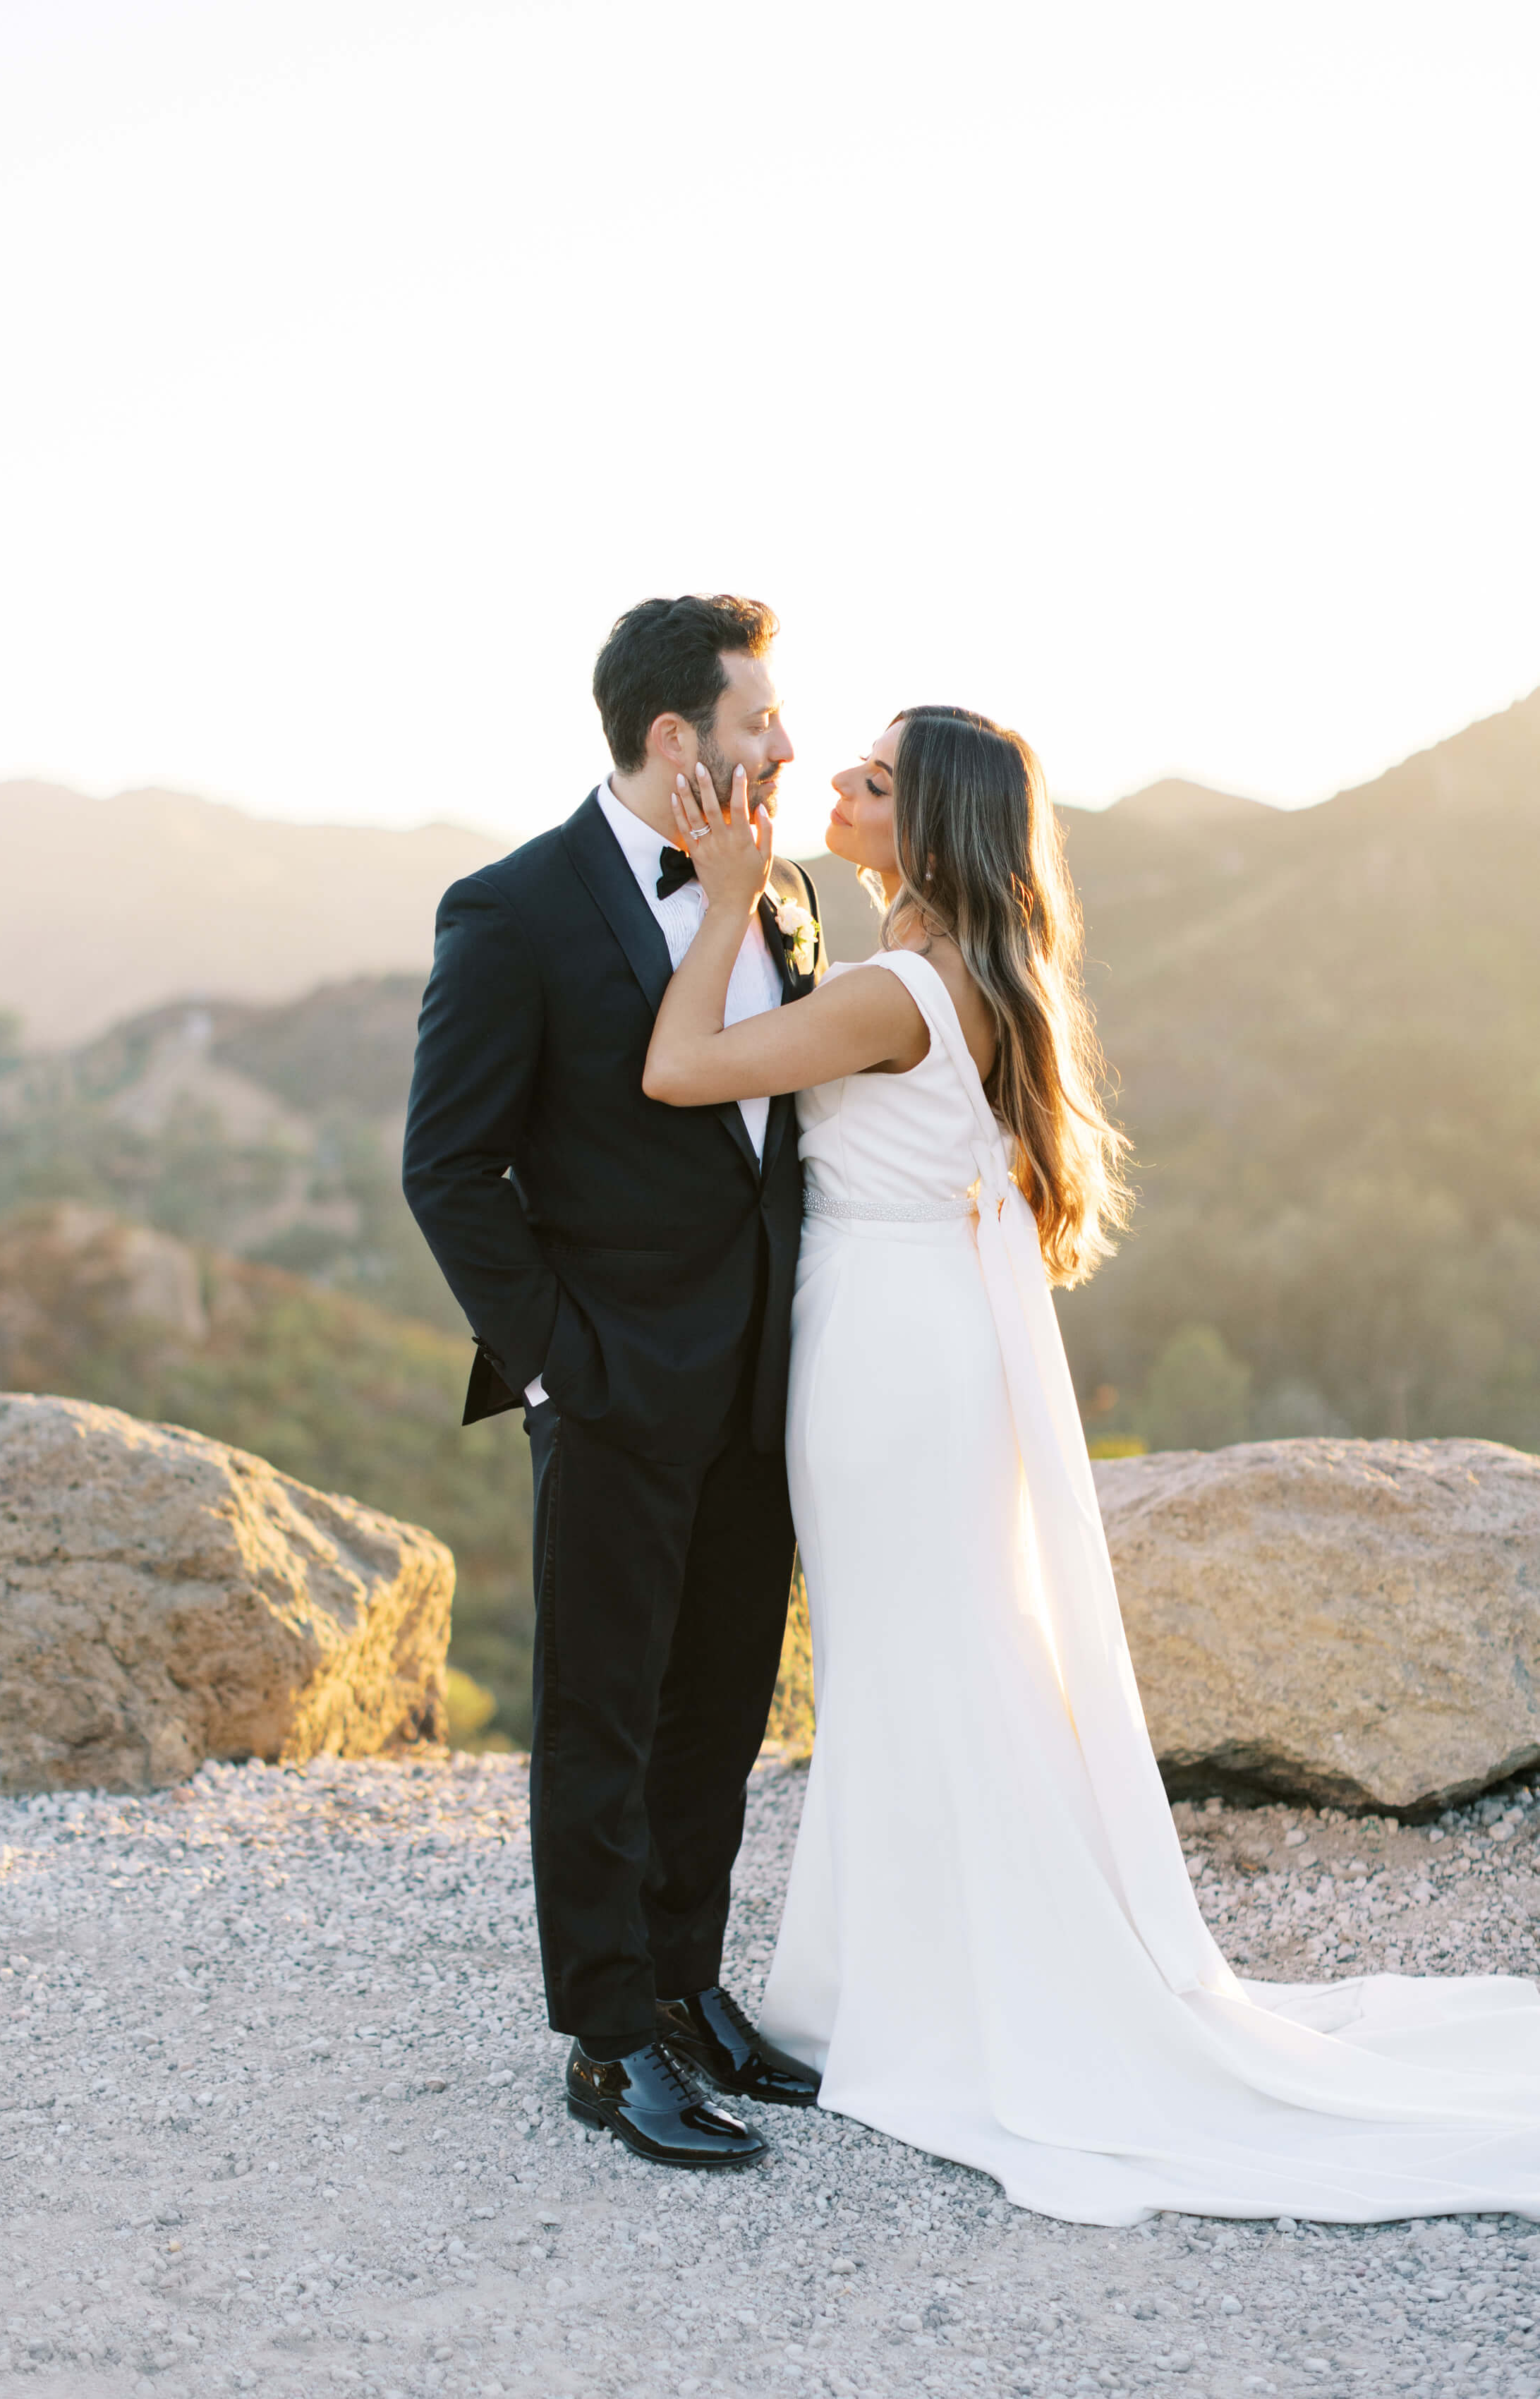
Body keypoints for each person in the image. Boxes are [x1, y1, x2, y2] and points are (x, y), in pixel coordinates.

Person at [642, 706, 1540, 2226]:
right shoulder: (985, 978)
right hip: (929, 1343)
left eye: (872, 782)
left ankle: (947, 1991)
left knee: (909, 1664)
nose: (842, 794)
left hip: (881, 1355)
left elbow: (680, 1069)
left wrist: (727, 896)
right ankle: (926, 1967)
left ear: (929, 830)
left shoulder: (891, 992)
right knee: (932, 1655)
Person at [402, 595, 823, 2172]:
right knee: (604, 1717)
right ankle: (604, 2039)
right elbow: (448, 1168)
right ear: (675, 737)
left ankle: (689, 1982)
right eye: (758, 720)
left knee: (715, 1702)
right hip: (610, 1388)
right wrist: (562, 1366)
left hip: (761, 1385)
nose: (783, 742)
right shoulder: (509, 909)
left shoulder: (776, 896)